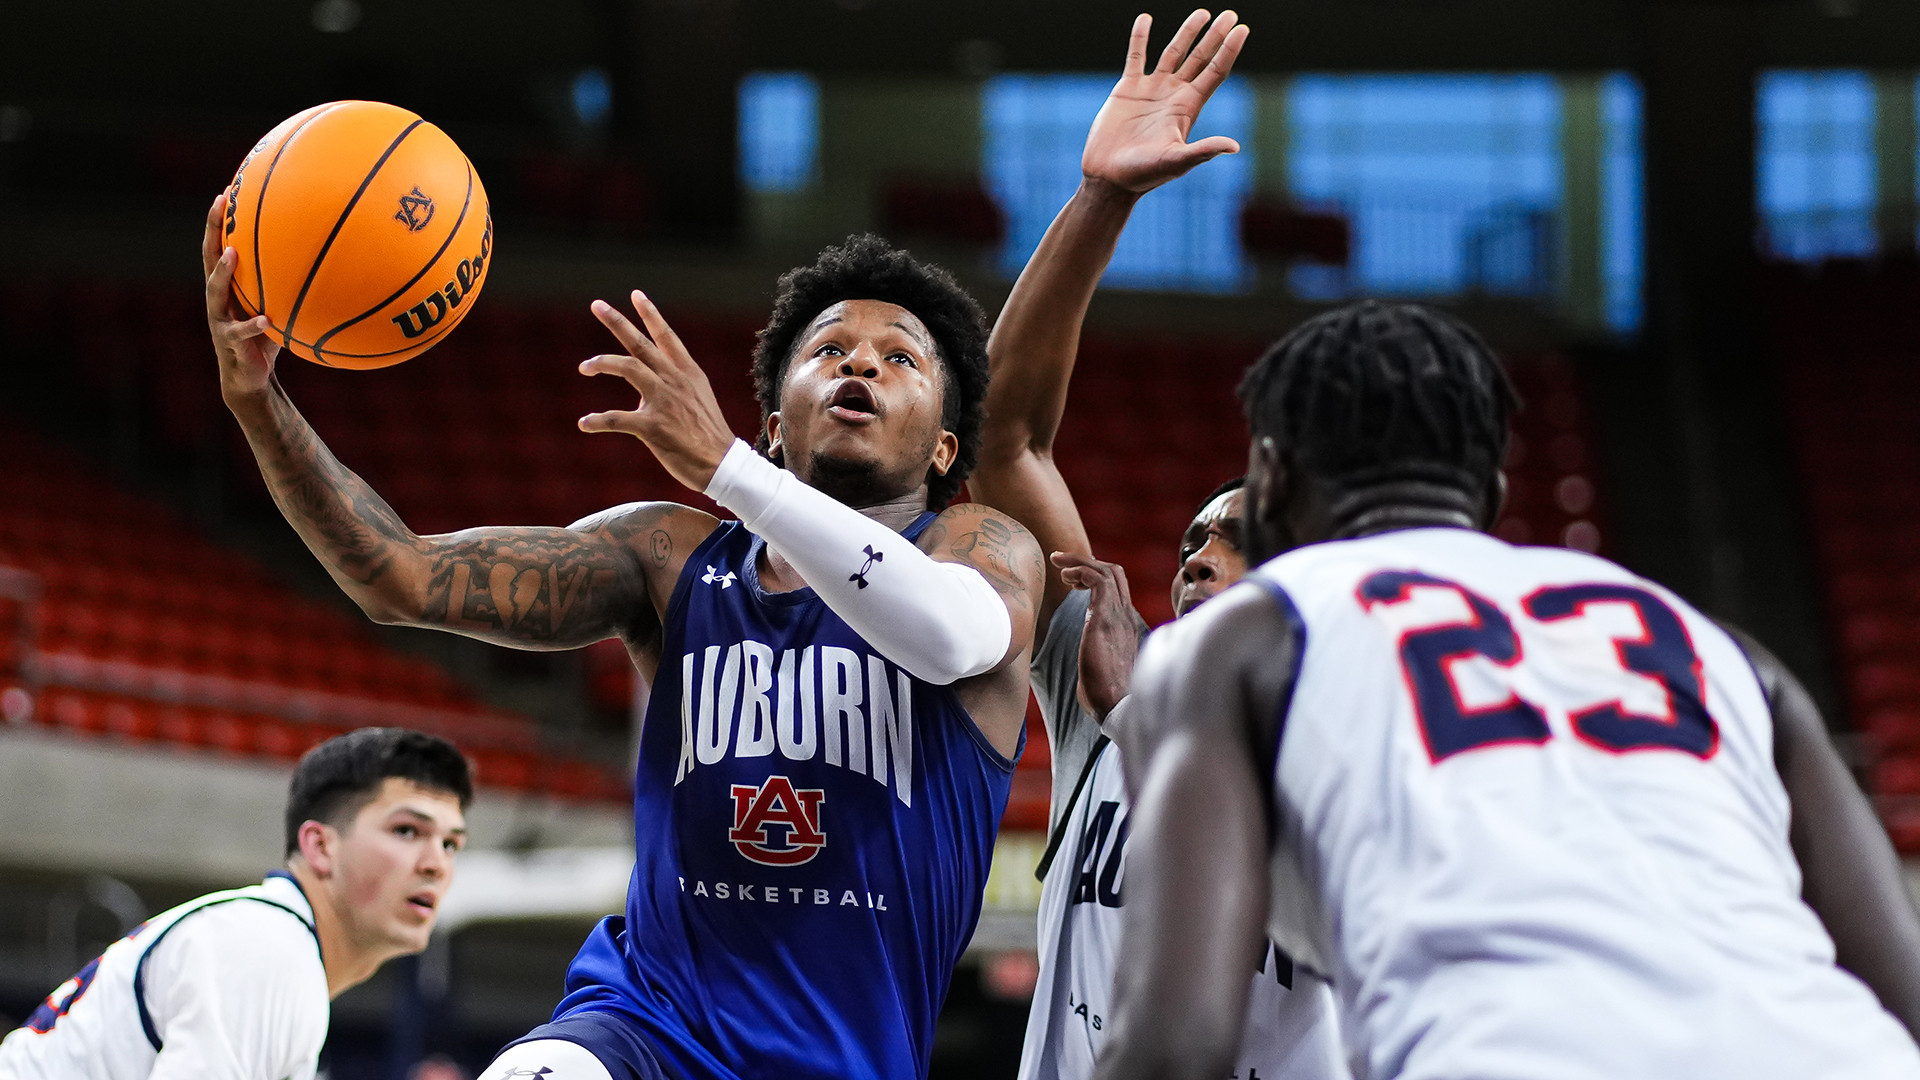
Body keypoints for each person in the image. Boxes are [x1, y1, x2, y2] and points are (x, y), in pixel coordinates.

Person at [199, 196, 1044, 1079]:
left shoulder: (980, 548)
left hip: (841, 1056)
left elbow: (947, 638)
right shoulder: (667, 557)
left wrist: (731, 472)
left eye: (899, 357)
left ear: (945, 449)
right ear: (774, 424)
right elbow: (398, 574)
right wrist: (260, 403)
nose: (859, 361)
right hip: (643, 1024)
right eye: (828, 349)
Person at [1093, 300, 1920, 1080]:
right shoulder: (1727, 652)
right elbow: (1902, 989)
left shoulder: (1240, 638)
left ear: (1268, 481)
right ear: (1487, 495)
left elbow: (1177, 1044)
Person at [966, 10, 1343, 1080]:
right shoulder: (1109, 677)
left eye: (1238, 534)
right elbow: (1005, 437)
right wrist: (1101, 199)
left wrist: (1138, 712)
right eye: (1192, 534)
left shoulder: (1358, 741)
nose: (1198, 547)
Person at [0, 727, 472, 1080]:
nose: (436, 864)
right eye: (408, 831)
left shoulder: (262, 936)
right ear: (321, 847)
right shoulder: (267, 948)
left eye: (451, 844)